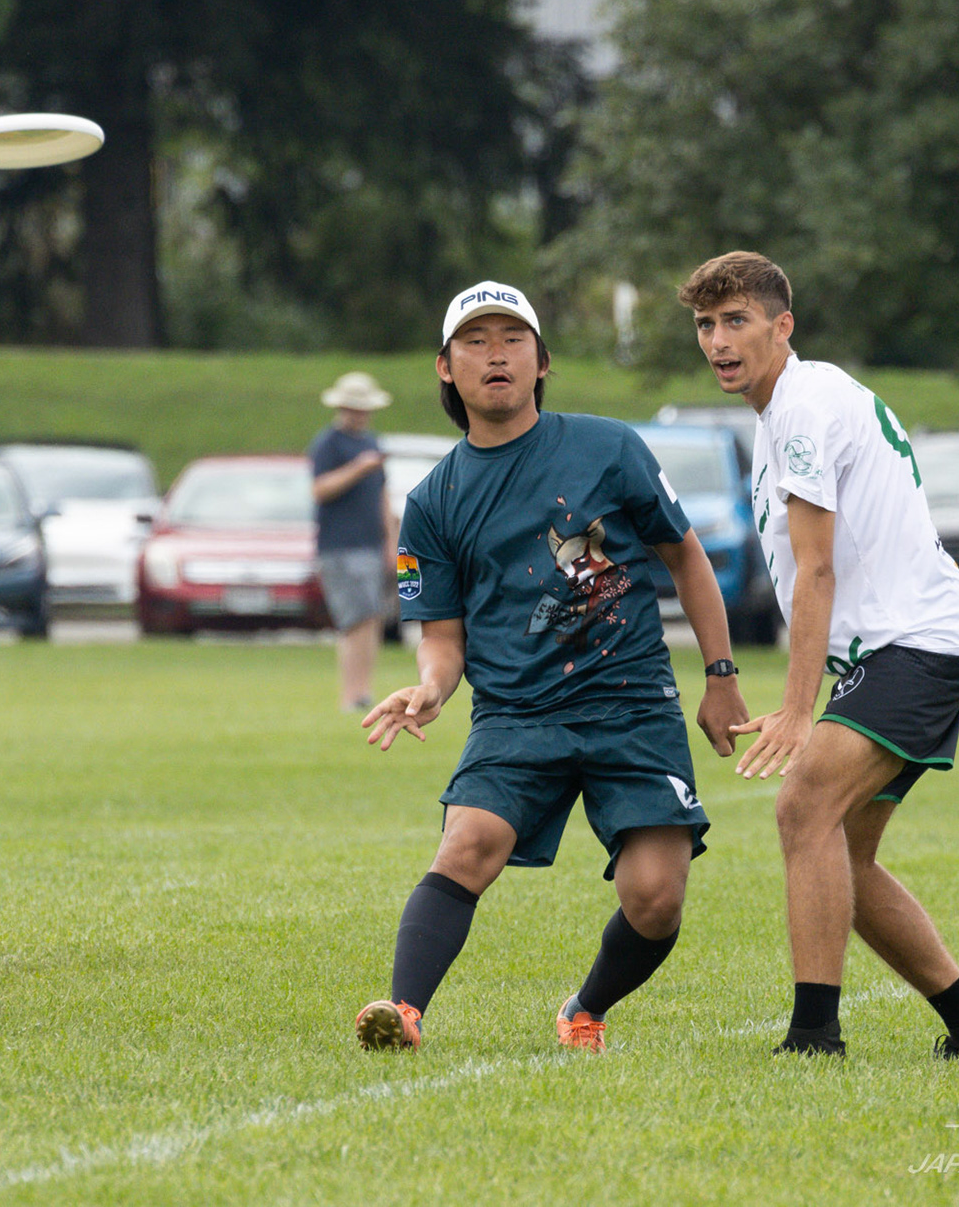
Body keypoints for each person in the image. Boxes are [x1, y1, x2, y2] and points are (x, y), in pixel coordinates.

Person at [353, 281, 749, 1054]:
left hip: (631, 703)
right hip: (517, 713)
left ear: (541, 362)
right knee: (468, 843)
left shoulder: (609, 447)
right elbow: (442, 636)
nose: (495, 354)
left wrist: (721, 675)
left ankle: (584, 1009)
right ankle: (402, 1013)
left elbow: (686, 558)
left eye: (513, 339)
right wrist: (431, 687)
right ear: (445, 367)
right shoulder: (431, 502)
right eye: (475, 341)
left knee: (655, 897)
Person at [678, 250, 959, 1058]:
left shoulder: (801, 408)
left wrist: (799, 712)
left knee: (802, 808)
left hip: (917, 643)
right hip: (903, 646)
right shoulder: (789, 406)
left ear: (782, 326)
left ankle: (813, 1039)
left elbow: (817, 570)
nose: (719, 341)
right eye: (705, 324)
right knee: (844, 855)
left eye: (737, 321)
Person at [310, 371, 400, 711]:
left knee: (372, 617)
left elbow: (382, 495)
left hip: (371, 545)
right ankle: (350, 695)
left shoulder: (372, 443)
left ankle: (364, 691)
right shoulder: (328, 443)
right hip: (340, 547)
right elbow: (320, 489)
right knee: (353, 620)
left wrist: (391, 541)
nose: (360, 415)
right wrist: (357, 469)